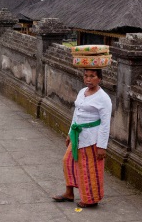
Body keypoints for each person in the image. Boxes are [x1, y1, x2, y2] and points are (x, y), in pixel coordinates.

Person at [53, 69, 112, 208]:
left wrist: (102, 146)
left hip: (92, 137)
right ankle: (69, 193)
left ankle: (91, 199)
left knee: (89, 168)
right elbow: (76, 114)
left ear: (99, 79)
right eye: (86, 76)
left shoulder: (103, 98)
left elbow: (105, 123)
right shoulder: (82, 92)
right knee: (68, 161)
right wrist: (69, 133)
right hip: (77, 134)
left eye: (92, 76)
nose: (88, 79)